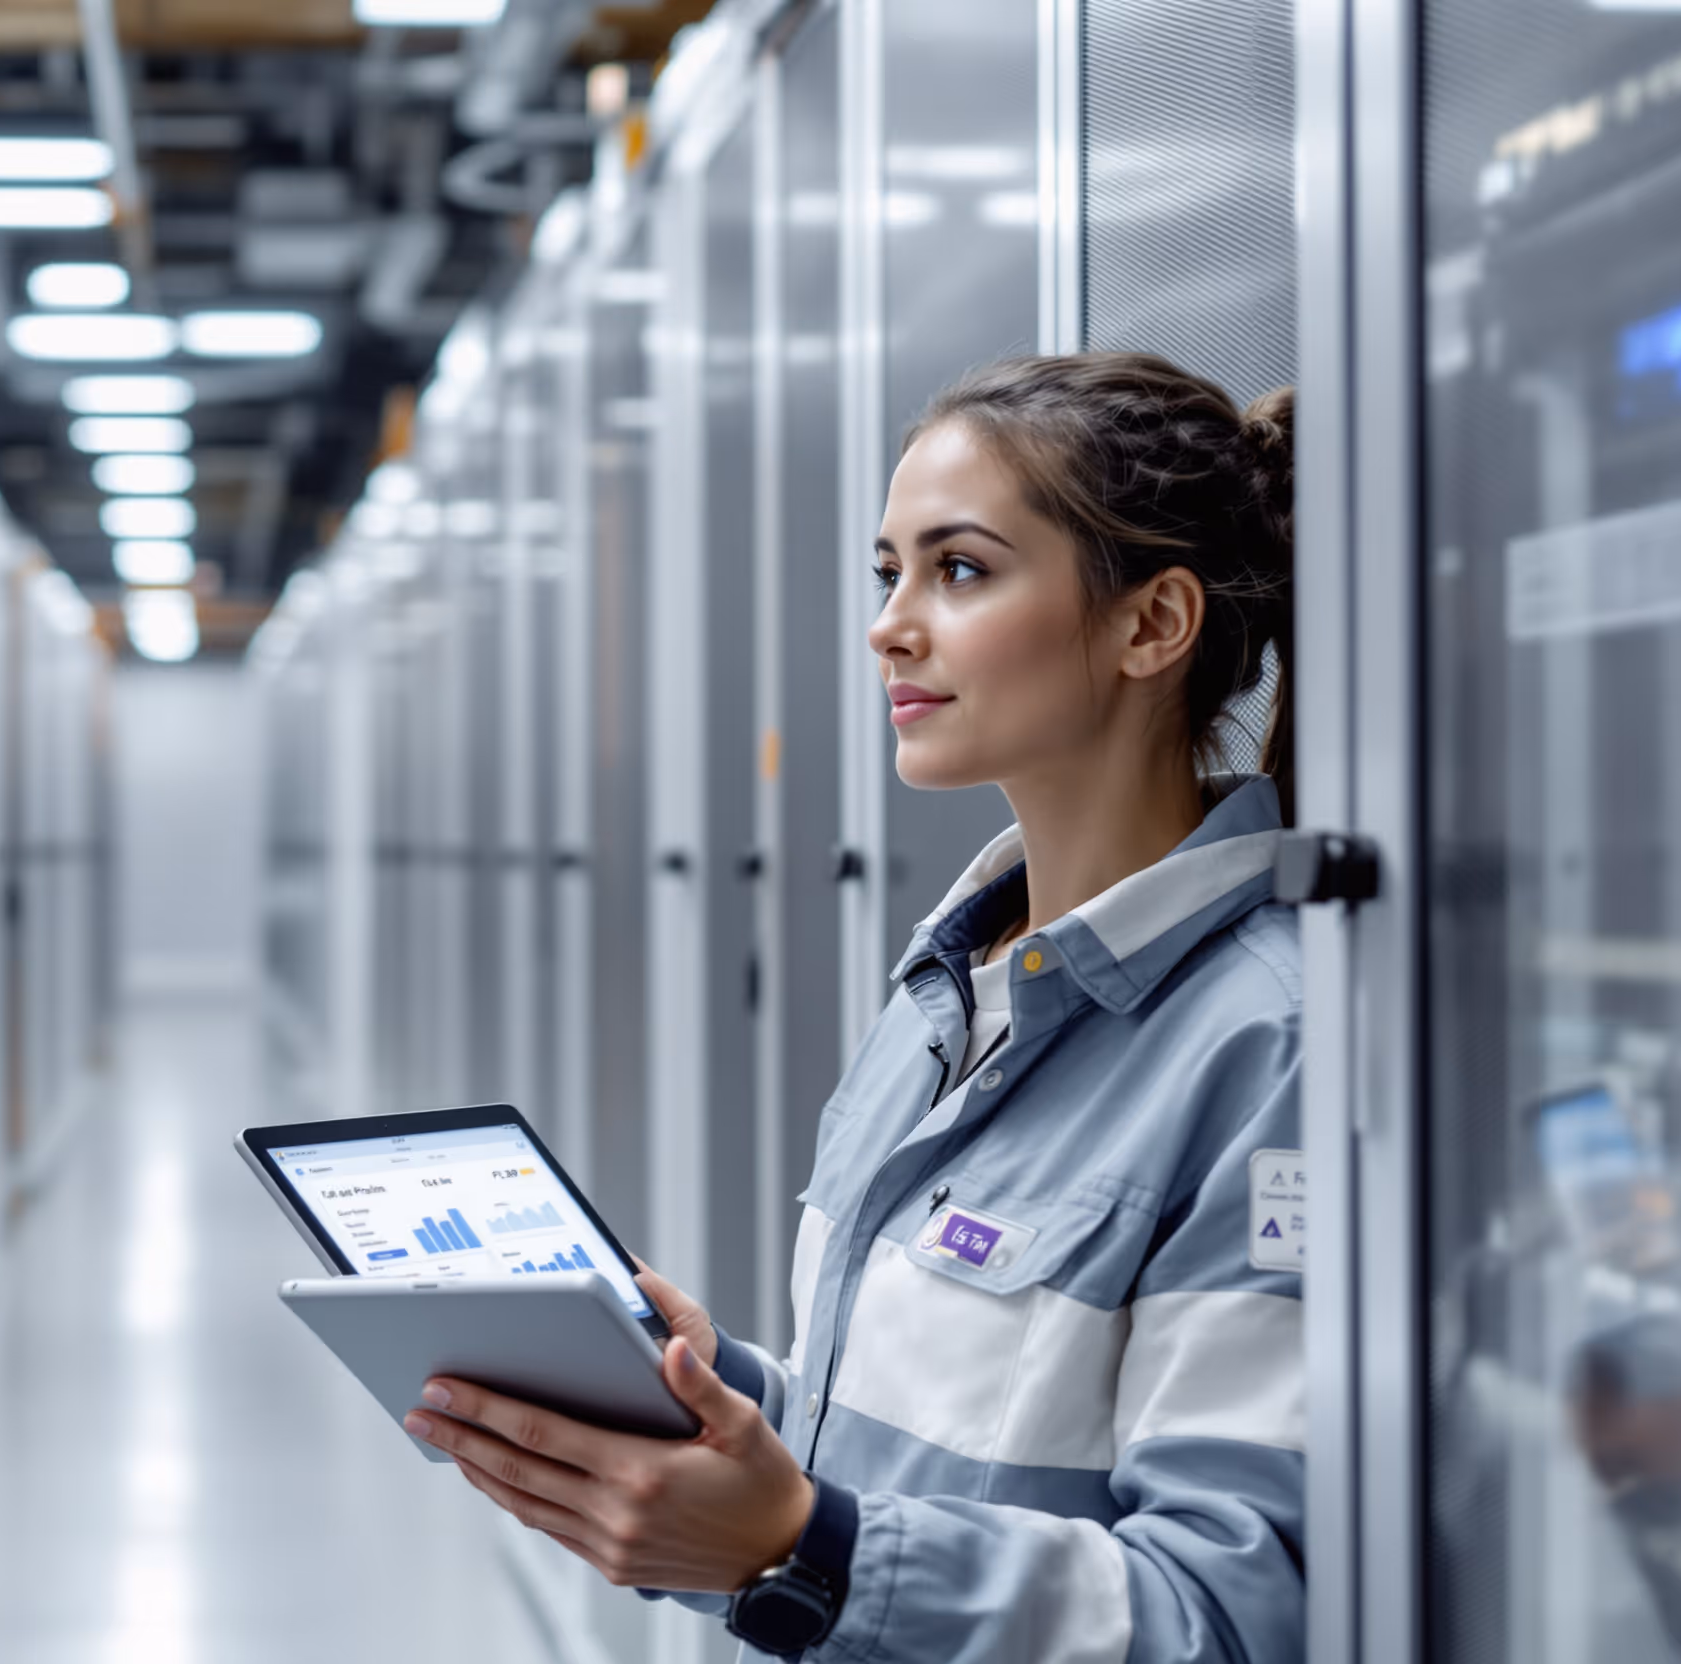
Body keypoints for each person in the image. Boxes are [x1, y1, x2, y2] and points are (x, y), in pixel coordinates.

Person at [404, 352, 1305, 1661]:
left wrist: (801, 1548)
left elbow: (1221, 1618)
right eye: (889, 574)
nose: (890, 625)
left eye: (961, 570)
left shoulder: (1268, 1051)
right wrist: (721, 1398)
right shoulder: (953, 993)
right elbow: (929, 1456)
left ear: (1152, 625)